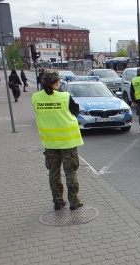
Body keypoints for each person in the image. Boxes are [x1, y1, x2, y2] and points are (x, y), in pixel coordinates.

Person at [31, 69, 84, 211]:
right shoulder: (65, 97)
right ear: (56, 83)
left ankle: (58, 201)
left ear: (43, 82)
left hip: (50, 143)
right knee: (70, 173)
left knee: (54, 173)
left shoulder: (35, 97)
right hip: (68, 142)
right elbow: (76, 111)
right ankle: (74, 201)